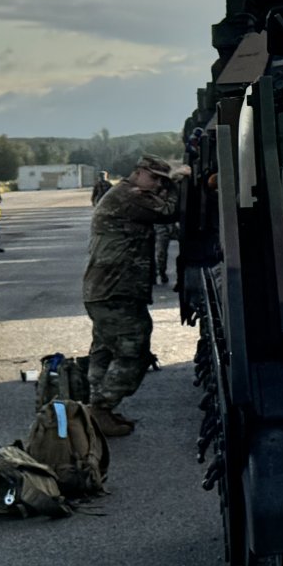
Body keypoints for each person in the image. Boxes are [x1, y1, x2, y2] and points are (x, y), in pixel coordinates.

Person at [84, 155, 185, 436]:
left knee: (104, 350)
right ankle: (101, 408)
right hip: (115, 289)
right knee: (134, 350)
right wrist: (177, 183)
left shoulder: (128, 193)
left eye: (161, 181)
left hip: (109, 289)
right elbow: (169, 211)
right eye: (154, 178)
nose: (156, 185)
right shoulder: (129, 196)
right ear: (139, 173)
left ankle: (97, 411)